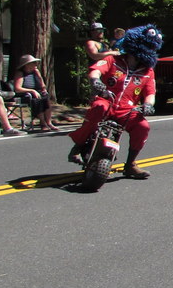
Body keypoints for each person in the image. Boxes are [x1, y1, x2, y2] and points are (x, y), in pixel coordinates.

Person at [68, 24, 163, 179]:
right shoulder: (113, 60)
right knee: (98, 108)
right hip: (107, 101)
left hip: (127, 109)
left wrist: (148, 105)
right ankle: (78, 146)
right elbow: (96, 70)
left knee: (143, 126)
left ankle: (130, 164)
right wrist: (96, 81)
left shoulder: (148, 71)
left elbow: (150, 93)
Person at [12, 54, 59, 132]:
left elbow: (42, 83)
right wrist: (32, 91)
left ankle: (49, 122)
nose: (35, 64)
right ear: (27, 65)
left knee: (46, 98)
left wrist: (43, 89)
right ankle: (43, 123)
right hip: (25, 95)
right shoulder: (20, 73)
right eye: (33, 63)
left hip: (37, 92)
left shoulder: (36, 71)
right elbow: (17, 89)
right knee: (37, 100)